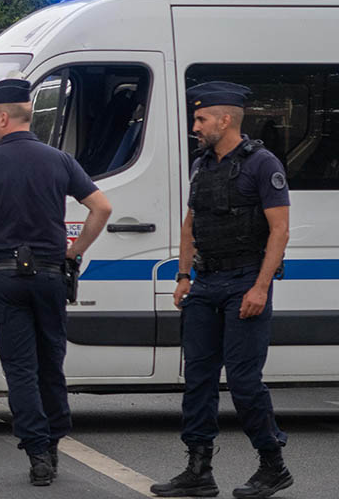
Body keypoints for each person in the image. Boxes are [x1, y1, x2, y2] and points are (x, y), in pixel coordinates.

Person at [0, 78, 112, 486]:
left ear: (3, 117)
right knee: (50, 362)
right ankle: (54, 440)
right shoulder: (58, 160)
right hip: (51, 275)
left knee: (20, 368)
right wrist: (74, 252)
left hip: (4, 277)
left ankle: (38, 453)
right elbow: (101, 207)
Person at [151, 82, 292, 499]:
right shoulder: (202, 165)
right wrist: (182, 277)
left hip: (244, 282)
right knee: (198, 379)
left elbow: (280, 230)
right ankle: (198, 470)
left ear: (225, 119)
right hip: (206, 284)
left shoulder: (262, 164)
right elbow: (191, 225)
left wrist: (260, 288)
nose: (195, 126)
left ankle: (272, 465)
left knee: (245, 382)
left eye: (201, 119)